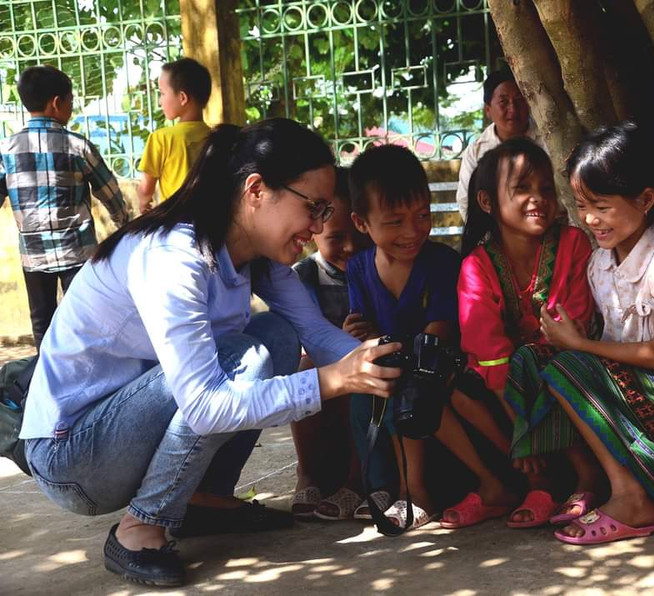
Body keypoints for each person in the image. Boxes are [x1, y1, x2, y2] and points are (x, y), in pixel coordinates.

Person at [19, 118, 402, 587]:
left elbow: (315, 334)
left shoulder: (255, 254)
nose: (320, 226)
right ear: (256, 190)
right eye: (314, 207)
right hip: (74, 456)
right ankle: (141, 527)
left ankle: (200, 498)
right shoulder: (174, 255)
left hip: (125, 428)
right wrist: (332, 381)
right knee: (246, 358)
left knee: (279, 335)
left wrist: (382, 361)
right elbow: (203, 404)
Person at [536, 123, 654, 546]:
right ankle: (593, 481)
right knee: (535, 363)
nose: (590, 219)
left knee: (569, 366)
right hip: (644, 382)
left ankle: (630, 498)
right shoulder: (599, 263)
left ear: (645, 200)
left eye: (602, 206)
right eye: (582, 205)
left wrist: (579, 344)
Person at [348, 144, 518, 529]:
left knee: (412, 379)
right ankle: (379, 484)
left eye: (422, 215)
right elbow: (362, 329)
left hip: (442, 371)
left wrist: (393, 346)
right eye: (395, 222)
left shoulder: (441, 262)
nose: (412, 232)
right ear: (361, 223)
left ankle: (417, 492)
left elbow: (440, 329)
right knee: (380, 377)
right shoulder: (358, 268)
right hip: (399, 367)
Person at [452, 137, 599, 529]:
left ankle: (587, 478)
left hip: (560, 371)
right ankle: (536, 480)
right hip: (504, 389)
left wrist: (527, 428)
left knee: (543, 363)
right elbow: (489, 351)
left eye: (546, 189)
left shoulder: (573, 244)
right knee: (457, 388)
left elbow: (571, 324)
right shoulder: (476, 266)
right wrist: (523, 431)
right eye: (522, 188)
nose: (538, 199)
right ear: (487, 202)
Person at [0, 65, 130, 349]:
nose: (72, 106)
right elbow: (109, 192)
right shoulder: (77, 146)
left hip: (33, 255)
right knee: (82, 321)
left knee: (42, 322)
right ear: (56, 103)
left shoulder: (6, 150)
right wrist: (123, 221)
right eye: (71, 100)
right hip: (77, 253)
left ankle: (45, 372)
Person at [290, 166, 376, 520]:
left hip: (367, 383)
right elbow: (304, 335)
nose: (350, 247)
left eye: (358, 233)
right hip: (325, 386)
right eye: (337, 237)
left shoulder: (379, 268)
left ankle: (357, 479)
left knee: (365, 371)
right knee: (302, 371)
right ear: (314, 233)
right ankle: (308, 472)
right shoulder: (304, 276)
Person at [455, 69, 545, 221]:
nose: (513, 109)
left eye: (519, 99)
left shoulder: (548, 140)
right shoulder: (476, 151)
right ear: (488, 110)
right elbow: (466, 202)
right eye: (503, 102)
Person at [137, 58, 212, 214]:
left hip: (176, 219)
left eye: (162, 93)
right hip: (210, 218)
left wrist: (144, 203)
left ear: (183, 98)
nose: (160, 101)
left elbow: (145, 189)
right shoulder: (216, 137)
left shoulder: (161, 139)